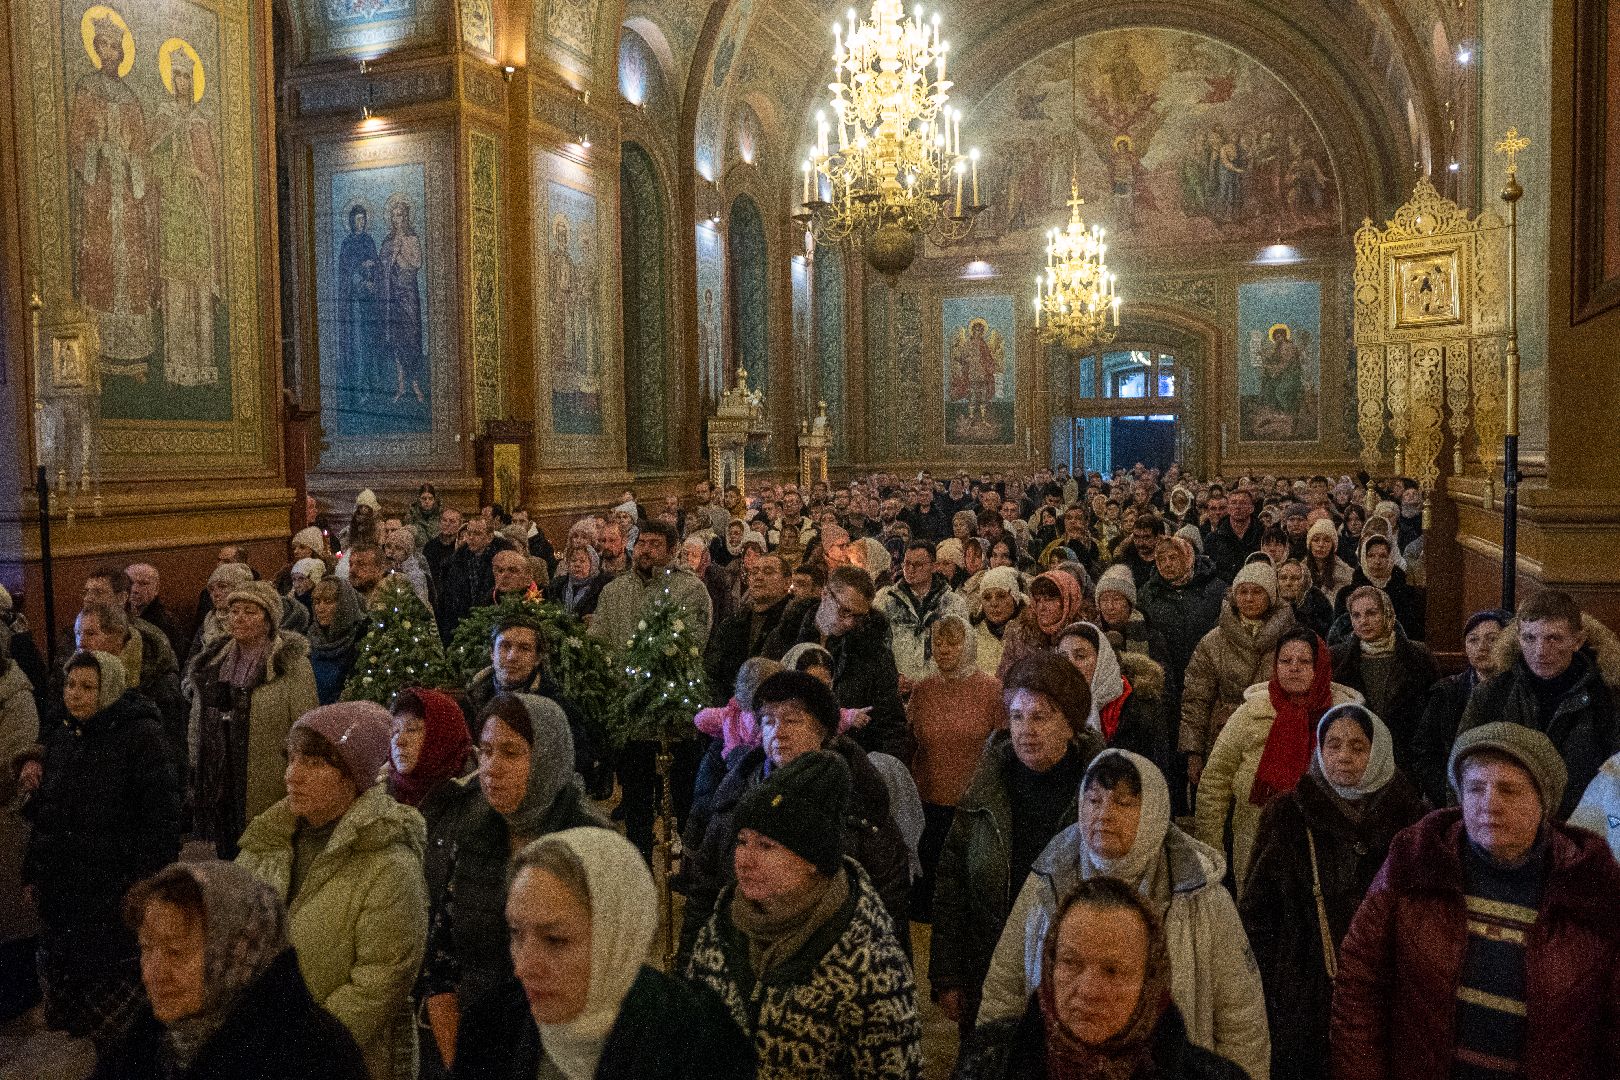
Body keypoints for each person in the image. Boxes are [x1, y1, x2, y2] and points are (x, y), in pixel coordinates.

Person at [1331, 722, 1620, 1079]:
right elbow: (1361, 985)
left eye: (1509, 790)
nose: (1489, 804)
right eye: (1475, 788)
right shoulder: (1416, 864)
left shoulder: (1591, 887)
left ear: (1544, 804)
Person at [975, 750, 1269, 1080]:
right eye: (1094, 801)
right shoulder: (1048, 879)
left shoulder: (1201, 896)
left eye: (1123, 804)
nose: (1104, 815)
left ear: (1154, 812)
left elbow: (1241, 1019)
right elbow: (1005, 989)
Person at [685, 751, 925, 1079]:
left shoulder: (870, 963)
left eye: (766, 846)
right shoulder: (721, 928)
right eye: (742, 841)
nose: (744, 859)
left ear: (812, 861)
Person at [450, 828, 752, 1080]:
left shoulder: (696, 1042)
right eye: (516, 933)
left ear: (617, 938)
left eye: (555, 940)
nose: (524, 967)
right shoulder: (491, 1030)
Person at [236, 702, 428, 1080]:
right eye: (291, 759)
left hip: (341, 1062)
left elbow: (379, 981)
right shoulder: (267, 842)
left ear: (354, 777)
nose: (292, 775)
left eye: (313, 763)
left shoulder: (388, 864)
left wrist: (303, 1051)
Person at [1238, 704, 1427, 1080]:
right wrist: (1274, 985)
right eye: (1333, 745)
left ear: (1379, 752)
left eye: (1358, 747)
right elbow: (1258, 912)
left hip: (1390, 986)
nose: (1343, 757)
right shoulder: (1288, 813)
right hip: (1305, 991)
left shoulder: (1411, 819)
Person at [421, 694, 607, 1069]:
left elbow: (609, 972)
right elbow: (442, 965)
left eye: (510, 753)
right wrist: (463, 1061)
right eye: (485, 751)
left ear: (547, 758)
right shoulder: (473, 834)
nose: (491, 768)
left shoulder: (590, 846)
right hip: (479, 1047)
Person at [678, 670, 910, 957]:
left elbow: (889, 903)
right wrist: (690, 966)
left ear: (822, 731)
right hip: (741, 959)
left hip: (833, 965)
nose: (778, 731)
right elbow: (705, 892)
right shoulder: (737, 795)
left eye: (792, 720)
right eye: (768, 721)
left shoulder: (859, 799)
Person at [930, 653, 1105, 1035]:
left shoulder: (1097, 796)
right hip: (988, 969)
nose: (1026, 729)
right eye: (1017, 716)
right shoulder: (987, 787)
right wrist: (948, 974)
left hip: (1072, 979)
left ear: (1071, 724)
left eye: (1040, 717)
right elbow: (953, 881)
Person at [20, 650, 180, 1053]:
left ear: (109, 688)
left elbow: (161, 820)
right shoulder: (63, 735)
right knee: (72, 985)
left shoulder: (141, 737)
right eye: (70, 685)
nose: (75, 695)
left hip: (113, 887)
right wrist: (34, 871)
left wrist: (145, 883)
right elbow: (49, 816)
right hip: (65, 888)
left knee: (114, 998)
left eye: (87, 687)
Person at [99, 860, 369, 1080]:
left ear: (238, 954)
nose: (152, 974)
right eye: (146, 949)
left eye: (176, 952)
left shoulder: (314, 1056)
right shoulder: (151, 1035)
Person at [962, 877, 1250, 1080]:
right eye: (1071, 963)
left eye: (1113, 971)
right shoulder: (989, 1062)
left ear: (1150, 982)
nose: (1089, 990)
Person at [1195, 627, 1358, 896]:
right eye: (1285, 661)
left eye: (1304, 661)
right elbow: (1215, 781)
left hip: (1326, 845)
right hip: (1257, 843)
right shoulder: (1251, 714)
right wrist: (1213, 851)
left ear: (1320, 666)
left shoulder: (1342, 717)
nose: (1294, 668)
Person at [1456, 590, 1620, 819]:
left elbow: (1616, 780)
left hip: (1584, 826)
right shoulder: (1493, 694)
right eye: (1530, 638)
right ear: (1518, 638)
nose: (1540, 651)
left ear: (1578, 641)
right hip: (1508, 822)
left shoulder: (1607, 698)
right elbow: (1464, 763)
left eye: (1553, 638)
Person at [185, 581, 320, 857]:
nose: (239, 618)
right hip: (220, 774)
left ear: (268, 620)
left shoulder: (290, 663)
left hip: (265, 775)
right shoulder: (213, 659)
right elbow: (197, 715)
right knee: (224, 849)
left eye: (250, 612)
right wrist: (195, 759)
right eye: (234, 611)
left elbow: (305, 723)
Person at [906, 614, 1007, 917]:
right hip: (928, 804)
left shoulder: (992, 690)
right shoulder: (923, 690)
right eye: (937, 641)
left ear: (969, 644)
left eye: (953, 641)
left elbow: (1002, 747)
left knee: (963, 898)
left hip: (972, 807)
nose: (944, 648)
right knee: (927, 897)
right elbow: (909, 740)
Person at [1181, 561, 1298, 790]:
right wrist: (1193, 751)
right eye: (1242, 591)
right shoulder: (1213, 642)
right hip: (1223, 737)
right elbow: (1196, 698)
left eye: (1256, 591)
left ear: (1271, 596)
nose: (1249, 598)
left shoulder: (1292, 639)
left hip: (1275, 737)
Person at [790, 565, 911, 760]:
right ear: (825, 594)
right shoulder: (787, 633)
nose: (849, 623)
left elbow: (891, 727)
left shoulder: (873, 653)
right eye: (845, 611)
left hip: (851, 765)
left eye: (858, 616)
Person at [1409, 609, 1511, 807]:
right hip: (1451, 796)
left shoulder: (1520, 692)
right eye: (1473, 640)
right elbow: (1424, 751)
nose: (1482, 647)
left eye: (1492, 639)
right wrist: (1447, 792)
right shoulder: (1447, 691)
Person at [1329, 586, 1438, 771]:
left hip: (1406, 759)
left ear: (1387, 613)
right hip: (1357, 757)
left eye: (1371, 613)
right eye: (1356, 615)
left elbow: (1433, 711)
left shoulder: (1418, 655)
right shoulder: (1338, 658)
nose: (1364, 621)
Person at [1055, 622, 1170, 766]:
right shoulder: (1055, 707)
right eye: (1063, 657)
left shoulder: (1141, 706)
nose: (1071, 665)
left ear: (1102, 660)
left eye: (1080, 656)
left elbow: (1155, 771)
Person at [874, 541, 970, 691]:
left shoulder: (953, 603)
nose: (910, 569)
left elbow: (962, 648)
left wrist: (930, 680)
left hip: (938, 689)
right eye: (907, 563)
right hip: (896, 688)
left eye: (918, 565)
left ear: (933, 566)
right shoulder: (885, 600)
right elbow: (877, 645)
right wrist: (893, 676)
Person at [996, 570, 1086, 681]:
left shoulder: (1085, 636)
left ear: (1068, 600)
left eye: (1050, 600)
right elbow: (1004, 679)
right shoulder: (1020, 635)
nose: (1042, 607)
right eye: (1038, 600)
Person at [1332, 534, 1425, 641]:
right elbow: (1340, 633)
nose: (1377, 561)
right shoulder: (1346, 594)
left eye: (1383, 556)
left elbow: (1414, 634)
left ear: (1390, 558)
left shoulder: (1408, 594)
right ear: (1363, 558)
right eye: (1371, 556)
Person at [1094, 564, 1169, 670]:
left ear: (1129, 604)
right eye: (1104, 600)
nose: (1110, 607)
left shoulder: (1151, 637)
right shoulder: (1092, 635)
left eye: (1116, 599)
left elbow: (1164, 679)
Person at [307, 577, 366, 707]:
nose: (320, 608)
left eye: (328, 602)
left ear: (344, 605)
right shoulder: (310, 640)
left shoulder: (362, 639)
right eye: (317, 602)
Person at [971, 566, 1024, 678]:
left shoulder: (1029, 634)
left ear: (1014, 599)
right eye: (987, 597)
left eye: (1001, 596)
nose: (994, 603)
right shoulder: (972, 636)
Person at [544, 543, 611, 622]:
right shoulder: (556, 585)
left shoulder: (602, 587)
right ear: (568, 564)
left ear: (592, 565)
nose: (577, 564)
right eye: (573, 560)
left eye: (582, 561)